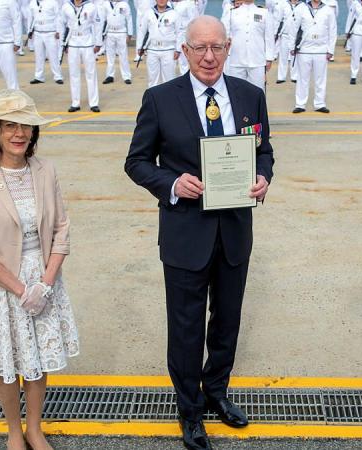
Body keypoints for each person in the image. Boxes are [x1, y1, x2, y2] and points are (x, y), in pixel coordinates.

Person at [124, 15, 273, 450]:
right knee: (186, 327)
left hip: (234, 234)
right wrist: (171, 183)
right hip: (186, 234)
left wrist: (263, 178)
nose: (209, 57)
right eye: (199, 48)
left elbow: (264, 152)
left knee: (227, 322)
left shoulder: (251, 96)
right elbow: (136, 162)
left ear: (229, 49)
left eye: (217, 47)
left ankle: (217, 394)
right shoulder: (159, 99)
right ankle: (189, 411)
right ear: (184, 51)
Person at [0, 89, 79, 450]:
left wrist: (44, 283)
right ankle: (14, 430)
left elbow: (61, 228)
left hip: (42, 278)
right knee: (6, 360)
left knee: (37, 359)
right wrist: (20, 289)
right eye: (9, 125)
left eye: (25, 126)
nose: (19, 133)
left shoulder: (45, 169)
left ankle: (35, 428)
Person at [289, 0, 337, 113]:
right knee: (302, 79)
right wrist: (291, 47)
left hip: (321, 49)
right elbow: (293, 28)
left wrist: (330, 50)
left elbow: (332, 31)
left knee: (320, 78)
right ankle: (300, 104)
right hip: (304, 49)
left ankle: (320, 104)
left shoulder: (328, 10)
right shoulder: (301, 8)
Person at [222, 0, 276, 91]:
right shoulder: (232, 12)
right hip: (236, 60)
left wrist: (269, 58)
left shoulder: (264, 12)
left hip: (257, 59)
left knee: (258, 90)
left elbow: (269, 36)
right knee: (236, 91)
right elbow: (224, 34)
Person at [61, 0, 103, 112]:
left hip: (87, 41)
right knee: (74, 73)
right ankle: (75, 102)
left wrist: (98, 42)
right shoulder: (66, 6)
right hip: (73, 41)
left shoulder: (91, 7)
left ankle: (94, 103)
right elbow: (62, 24)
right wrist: (63, 43)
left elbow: (98, 24)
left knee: (91, 73)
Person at [136, 0, 181, 87]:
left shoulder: (174, 14)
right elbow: (142, 31)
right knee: (152, 79)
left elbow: (179, 32)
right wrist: (139, 47)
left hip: (168, 50)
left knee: (169, 79)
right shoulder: (148, 13)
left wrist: (178, 49)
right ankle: (153, 100)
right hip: (152, 50)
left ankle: (168, 100)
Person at [28, 0, 65, 85]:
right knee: (39, 56)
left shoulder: (52, 2)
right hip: (37, 32)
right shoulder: (33, 3)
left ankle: (58, 76)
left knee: (53, 56)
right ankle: (38, 76)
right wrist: (29, 31)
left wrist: (58, 31)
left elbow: (58, 17)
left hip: (50, 32)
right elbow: (31, 18)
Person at [99, 0, 134, 84]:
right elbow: (103, 19)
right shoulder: (106, 4)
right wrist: (101, 33)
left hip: (121, 32)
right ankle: (110, 75)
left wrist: (129, 34)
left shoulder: (124, 4)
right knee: (110, 55)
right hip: (110, 32)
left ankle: (126, 76)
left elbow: (129, 19)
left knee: (123, 55)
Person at [274, 0, 304, 83]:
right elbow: (278, 19)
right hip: (285, 34)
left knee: (294, 57)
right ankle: (281, 77)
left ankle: (294, 76)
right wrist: (275, 33)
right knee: (283, 56)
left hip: (295, 36)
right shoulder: (284, 4)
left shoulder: (302, 6)